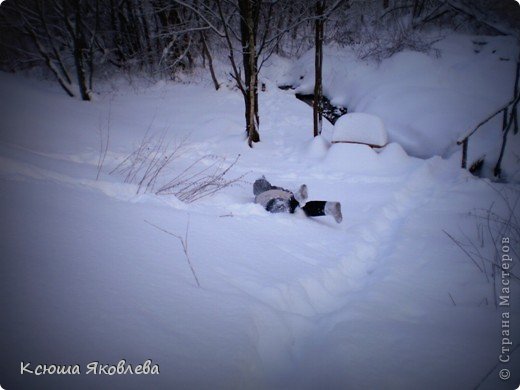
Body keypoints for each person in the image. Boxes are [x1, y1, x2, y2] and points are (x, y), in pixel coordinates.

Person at [253, 176, 342, 223]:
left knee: (280, 206)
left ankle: (295, 199)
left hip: (272, 201)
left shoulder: (259, 196)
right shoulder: (279, 188)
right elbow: (287, 192)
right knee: (302, 209)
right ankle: (328, 207)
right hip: (286, 197)